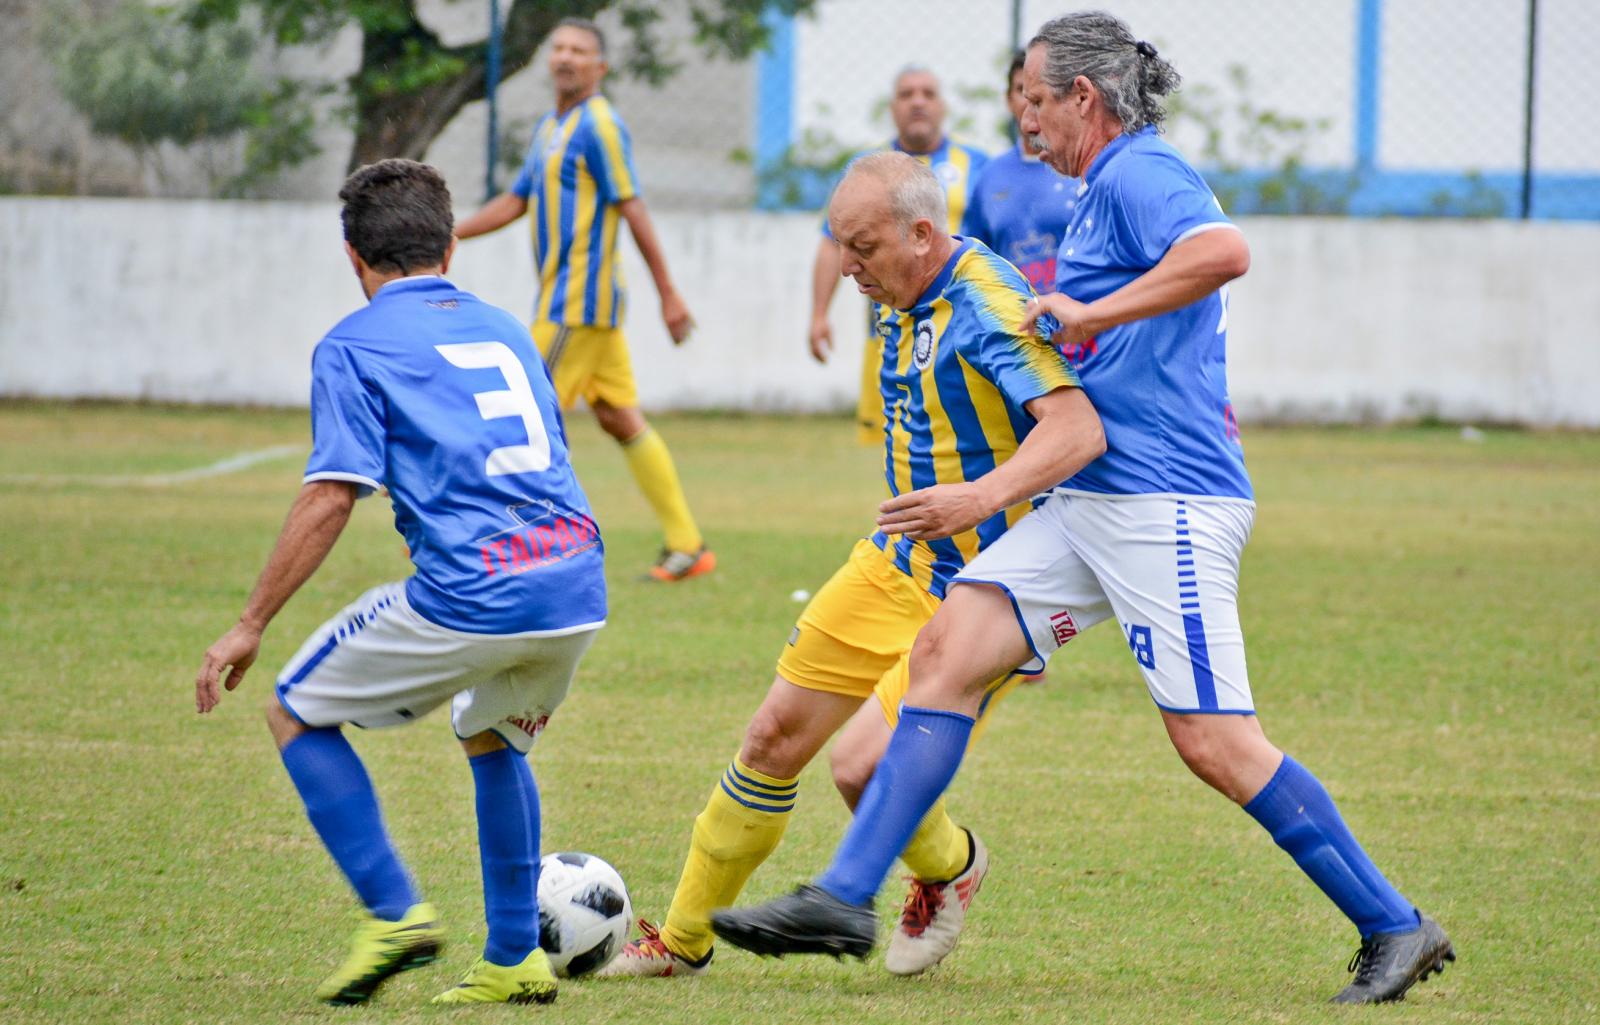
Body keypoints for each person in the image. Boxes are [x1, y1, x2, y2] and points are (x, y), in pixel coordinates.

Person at [711, 12, 1455, 1007]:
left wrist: (1090, 313)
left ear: (1083, 99)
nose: (1022, 125)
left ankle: (1393, 922)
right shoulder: (1098, 189)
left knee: (1215, 743)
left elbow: (1225, 250)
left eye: (1032, 101)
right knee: (941, 654)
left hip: (1165, 499)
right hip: (1092, 496)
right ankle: (844, 896)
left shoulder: (1141, 172)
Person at [599, 152, 1103, 979]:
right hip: (893, 563)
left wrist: (975, 499)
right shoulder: (897, 288)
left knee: (863, 764)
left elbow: (1077, 429)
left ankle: (949, 868)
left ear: (921, 232)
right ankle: (682, 941)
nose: (847, 266)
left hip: (988, 590)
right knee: (770, 737)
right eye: (840, 245)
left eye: (861, 247)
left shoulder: (987, 302)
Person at [194, 158, 607, 1007]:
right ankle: (513, 958)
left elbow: (331, 494)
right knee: (493, 734)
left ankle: (392, 914)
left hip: (475, 591)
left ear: (354, 256)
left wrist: (248, 621)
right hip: (576, 581)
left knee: (295, 708)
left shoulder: (352, 343)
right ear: (451, 246)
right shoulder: (506, 328)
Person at [456, 17, 712, 582]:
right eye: (560, 47)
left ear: (601, 66)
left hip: (577, 306)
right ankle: (687, 543)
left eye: (580, 50)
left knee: (516, 414)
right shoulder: (553, 126)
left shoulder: (599, 125)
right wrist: (450, 234)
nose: (566, 57)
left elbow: (633, 205)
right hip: (573, 307)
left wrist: (669, 292)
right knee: (621, 419)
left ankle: (483, 539)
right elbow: (517, 200)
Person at [807, 66, 989, 444]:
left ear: (943, 106)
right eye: (907, 94)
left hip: (963, 329)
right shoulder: (865, 171)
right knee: (896, 443)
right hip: (891, 330)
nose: (917, 102)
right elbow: (832, 242)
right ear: (892, 107)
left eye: (927, 93)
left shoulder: (978, 166)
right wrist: (819, 314)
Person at [962, 50, 1081, 294]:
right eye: (1021, 91)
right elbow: (975, 264)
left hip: (1081, 320)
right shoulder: (989, 177)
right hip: (1016, 324)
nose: (1029, 101)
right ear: (1008, 100)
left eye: (1039, 90)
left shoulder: (1080, 166)